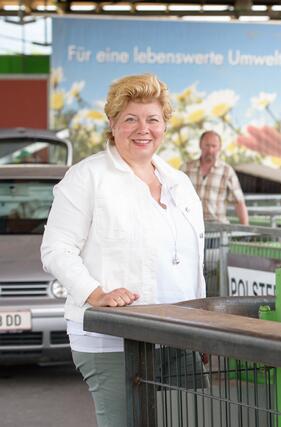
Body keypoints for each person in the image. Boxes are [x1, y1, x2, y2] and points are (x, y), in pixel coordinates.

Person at [41, 74, 206, 427]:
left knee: (196, 419)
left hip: (178, 335)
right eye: (130, 118)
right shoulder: (87, 177)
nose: (142, 129)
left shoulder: (179, 182)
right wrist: (95, 293)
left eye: (153, 119)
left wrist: (204, 326)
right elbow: (56, 248)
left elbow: (194, 260)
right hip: (113, 339)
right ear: (112, 123)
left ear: (165, 126)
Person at [182, 130, 249, 225]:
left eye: (214, 146)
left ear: (219, 148)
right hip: (191, 227)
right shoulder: (186, 168)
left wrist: (246, 230)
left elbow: (239, 202)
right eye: (207, 145)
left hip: (218, 230)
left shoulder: (227, 171)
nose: (210, 150)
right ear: (200, 145)